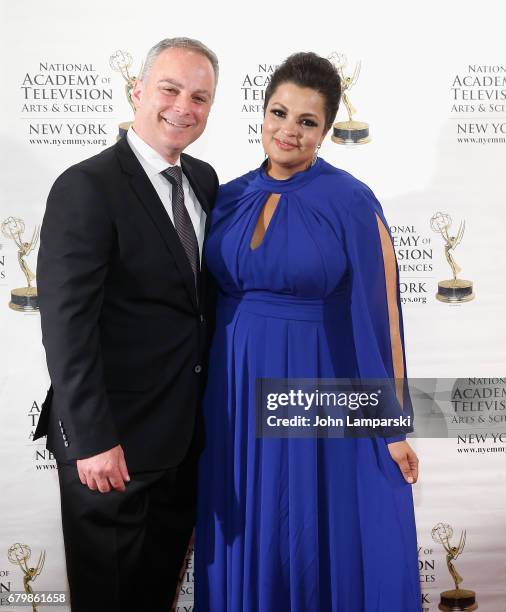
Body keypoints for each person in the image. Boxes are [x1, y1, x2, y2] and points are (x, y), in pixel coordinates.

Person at [195, 52, 421, 611]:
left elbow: (379, 316)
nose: (288, 131)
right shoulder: (225, 196)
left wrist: (391, 425)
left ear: (326, 131)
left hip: (310, 382)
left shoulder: (349, 200)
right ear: (262, 112)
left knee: (305, 523)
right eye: (279, 112)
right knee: (247, 519)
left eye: (307, 121)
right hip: (232, 388)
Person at [34, 37, 219, 612]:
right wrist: (92, 439)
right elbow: (67, 323)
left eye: (200, 96)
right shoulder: (86, 186)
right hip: (108, 449)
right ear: (137, 91)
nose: (182, 107)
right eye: (169, 89)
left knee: (153, 597)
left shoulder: (205, 181)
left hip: (181, 443)